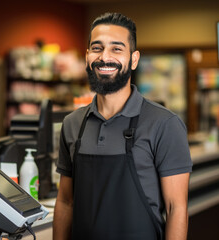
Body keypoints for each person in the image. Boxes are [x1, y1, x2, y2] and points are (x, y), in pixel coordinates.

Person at [53, 12, 192, 240]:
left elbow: (176, 209)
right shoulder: (72, 124)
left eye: (116, 49)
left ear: (134, 59)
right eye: (97, 48)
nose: (104, 57)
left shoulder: (165, 124)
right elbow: (66, 202)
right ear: (87, 56)